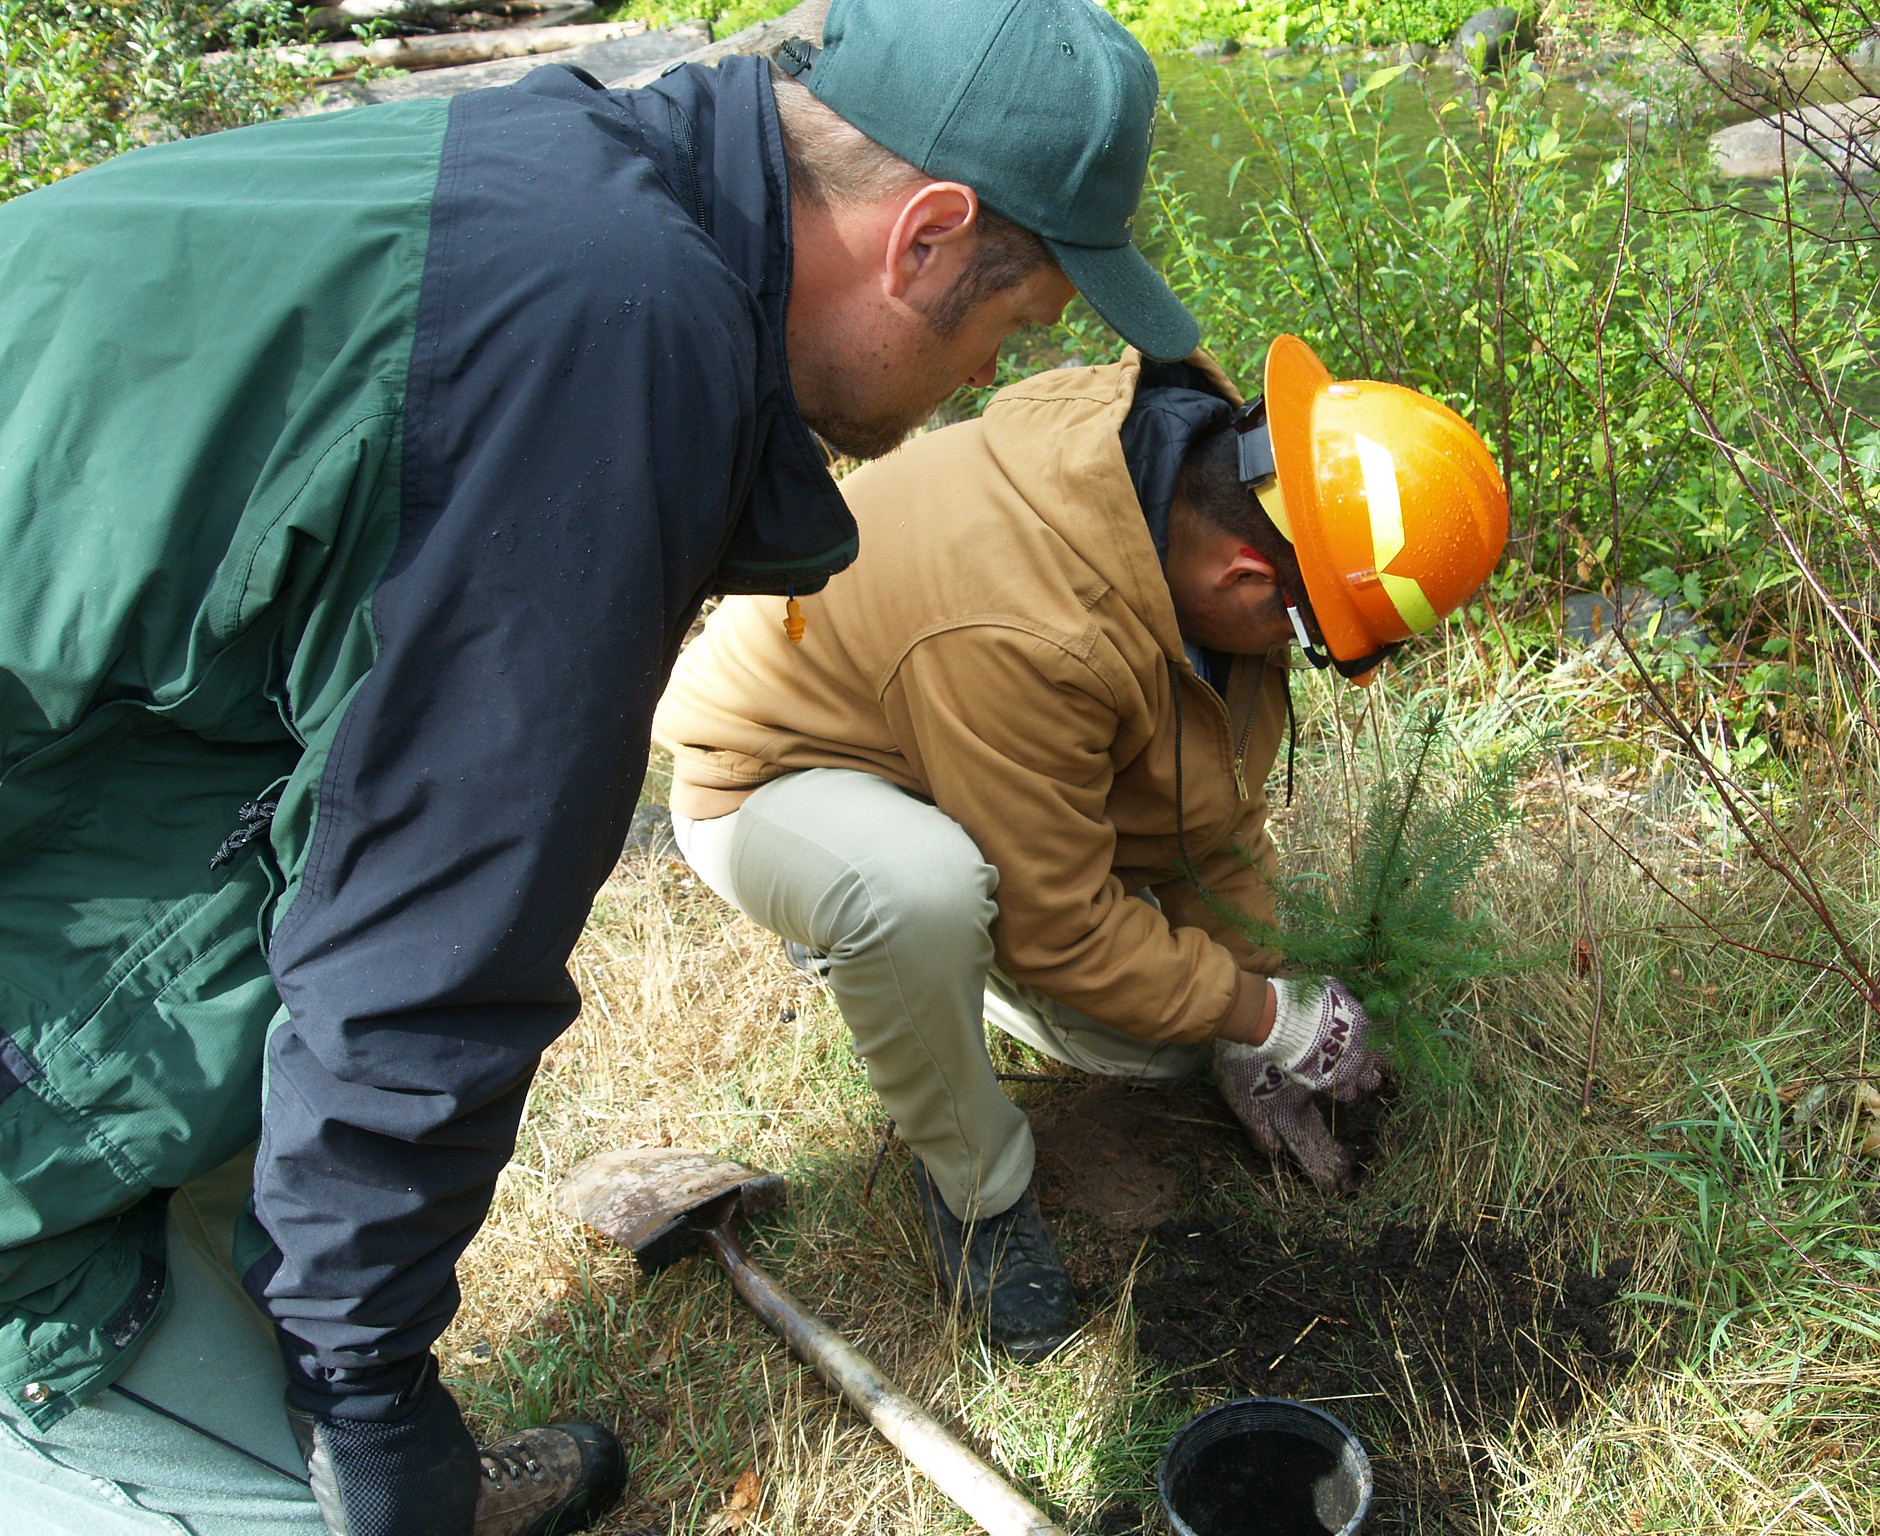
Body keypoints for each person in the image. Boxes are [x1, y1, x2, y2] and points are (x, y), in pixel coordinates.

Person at [0, 2, 1199, 1532]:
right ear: (927, 236)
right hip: (50, 852)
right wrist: (367, 1390)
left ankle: (263, 1353)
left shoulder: (596, 173)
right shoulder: (610, 343)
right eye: (1005, 330)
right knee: (299, 1507)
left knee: (276, 1016)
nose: (973, 387)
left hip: (81, 746)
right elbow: (431, 935)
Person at [653, 334, 1509, 1360]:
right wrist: (1267, 1018)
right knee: (917, 892)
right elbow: (1058, 926)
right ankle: (971, 1188)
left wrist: (1254, 1008)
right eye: (1306, 634)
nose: (1295, 658)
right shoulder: (1029, 620)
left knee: (1160, 1041)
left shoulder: (1200, 498)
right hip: (777, 775)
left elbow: (1214, 819)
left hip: (953, 750)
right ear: (1246, 575)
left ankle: (915, 949)